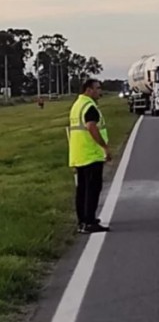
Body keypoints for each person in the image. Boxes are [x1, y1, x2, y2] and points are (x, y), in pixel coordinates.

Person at [68, 79, 111, 234]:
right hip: (91, 153)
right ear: (88, 90)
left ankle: (83, 220)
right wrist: (104, 146)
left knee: (82, 190)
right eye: (97, 88)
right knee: (92, 189)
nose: (100, 91)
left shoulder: (77, 105)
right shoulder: (89, 106)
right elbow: (91, 127)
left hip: (79, 153)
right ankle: (90, 221)